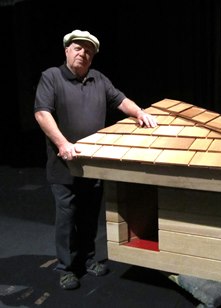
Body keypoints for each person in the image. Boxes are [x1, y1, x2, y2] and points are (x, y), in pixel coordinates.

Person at [34, 29, 157, 290]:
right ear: (67, 50)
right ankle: (66, 268)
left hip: (93, 165)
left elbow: (121, 100)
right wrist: (63, 143)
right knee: (67, 218)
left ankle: (88, 259)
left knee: (90, 215)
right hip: (64, 165)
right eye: (78, 48)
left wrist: (140, 113)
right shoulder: (52, 77)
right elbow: (42, 113)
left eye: (88, 50)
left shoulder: (99, 79)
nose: (83, 53)